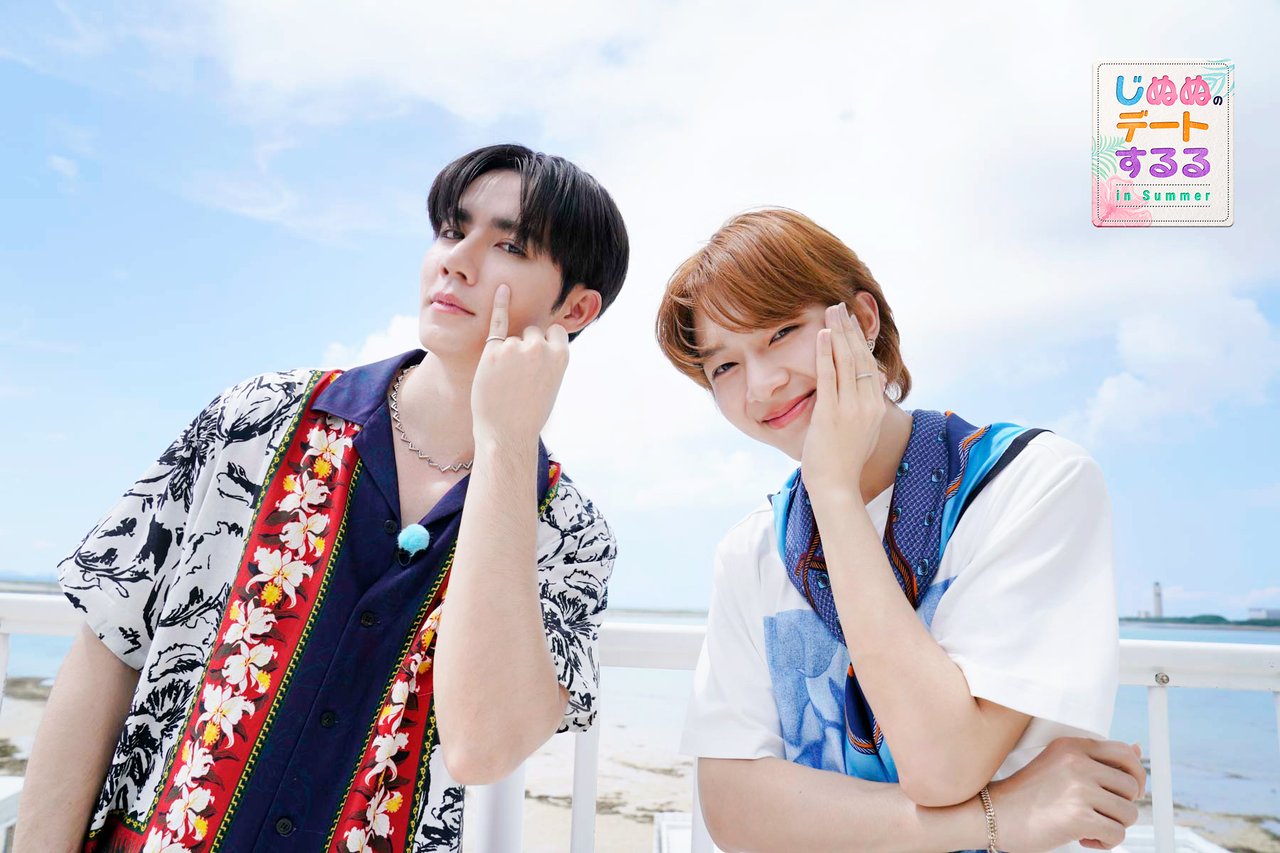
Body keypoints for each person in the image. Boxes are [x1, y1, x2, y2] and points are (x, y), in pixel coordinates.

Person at [17, 143, 629, 853]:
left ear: (575, 307)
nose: (457, 261)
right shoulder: (259, 417)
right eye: (451, 231)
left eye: (510, 246)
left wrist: (507, 444)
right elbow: (108, 646)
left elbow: (481, 748)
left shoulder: (569, 533)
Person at [656, 208, 1145, 852]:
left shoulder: (1026, 483)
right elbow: (732, 809)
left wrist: (833, 490)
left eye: (780, 332)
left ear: (862, 319)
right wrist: (1000, 815)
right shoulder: (753, 549)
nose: (762, 385)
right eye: (724, 367)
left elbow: (942, 765)